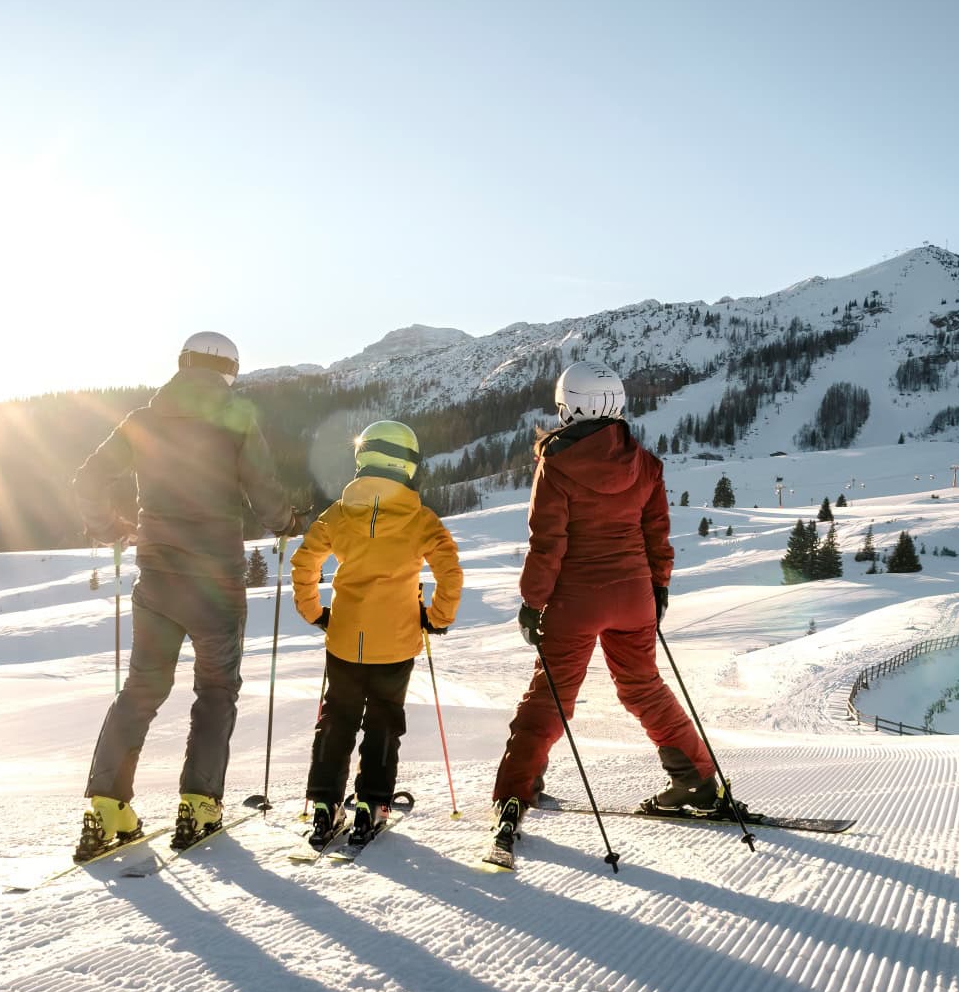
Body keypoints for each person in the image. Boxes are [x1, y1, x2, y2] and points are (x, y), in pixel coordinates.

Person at [72, 331, 310, 858]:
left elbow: (87, 480)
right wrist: (287, 522)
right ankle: (199, 804)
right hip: (216, 585)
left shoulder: (143, 419)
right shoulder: (236, 418)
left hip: (157, 578)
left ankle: (106, 808)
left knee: (140, 690)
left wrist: (110, 528)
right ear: (229, 370)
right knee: (216, 691)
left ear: (182, 365)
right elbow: (263, 489)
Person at [486, 360, 727, 865]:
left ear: (567, 406)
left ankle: (515, 793)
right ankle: (698, 782)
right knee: (644, 688)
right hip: (634, 595)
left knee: (550, 696)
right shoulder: (645, 463)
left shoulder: (556, 464)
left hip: (574, 599)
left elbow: (547, 544)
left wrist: (532, 602)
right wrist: (659, 587)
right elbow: (656, 535)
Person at [290, 420, 463, 849]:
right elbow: (449, 571)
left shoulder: (338, 514)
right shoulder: (420, 519)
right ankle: (372, 804)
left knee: (337, 719)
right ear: (409, 464)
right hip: (397, 642)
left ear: (362, 458)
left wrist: (314, 613)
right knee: (384, 723)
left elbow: (304, 563)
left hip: (344, 638)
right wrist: (437, 617)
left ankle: (325, 805)